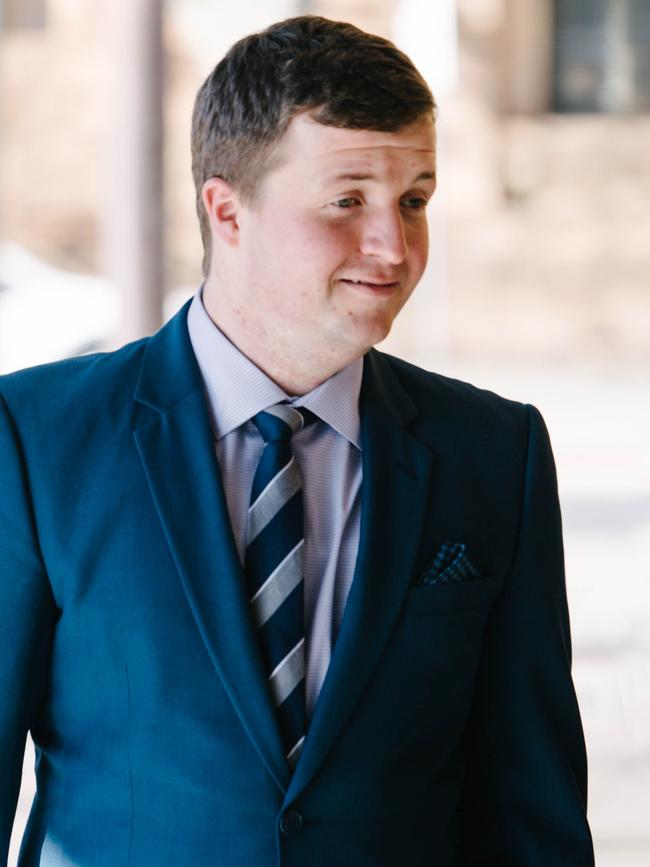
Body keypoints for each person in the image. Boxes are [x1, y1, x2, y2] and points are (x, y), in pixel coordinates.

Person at [0, 15, 594, 867]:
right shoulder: (34, 438)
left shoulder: (497, 454)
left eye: (415, 200)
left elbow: (531, 809)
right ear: (227, 210)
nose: (393, 245)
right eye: (348, 201)